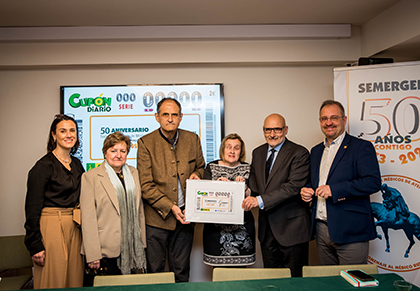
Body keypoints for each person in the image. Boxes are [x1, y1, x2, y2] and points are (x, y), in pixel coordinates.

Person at [300, 100, 381, 265]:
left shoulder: (361, 147)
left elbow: (372, 182)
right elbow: (315, 182)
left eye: (333, 118)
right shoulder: (316, 151)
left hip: (351, 230)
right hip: (321, 229)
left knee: (353, 282)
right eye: (324, 119)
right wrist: (307, 190)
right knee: (330, 283)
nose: (328, 122)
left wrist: (334, 190)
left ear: (344, 120)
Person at [137, 98, 205, 282]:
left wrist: (198, 174)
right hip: (156, 221)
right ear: (157, 117)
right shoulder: (145, 143)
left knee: (181, 271)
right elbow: (146, 186)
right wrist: (171, 207)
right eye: (165, 114)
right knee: (155, 272)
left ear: (181, 117)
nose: (170, 118)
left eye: (174, 114)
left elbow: (201, 167)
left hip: (185, 218)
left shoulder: (192, 139)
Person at [242, 114, 311, 277]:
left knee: (295, 281)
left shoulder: (299, 153)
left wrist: (257, 200)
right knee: (273, 279)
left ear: (285, 130)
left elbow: (293, 187)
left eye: (277, 129)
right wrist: (244, 191)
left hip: (292, 229)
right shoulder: (257, 152)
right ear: (263, 131)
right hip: (267, 230)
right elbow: (255, 185)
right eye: (268, 130)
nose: (272, 134)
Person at [24, 114, 84, 289]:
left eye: (72, 130)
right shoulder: (43, 166)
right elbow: (32, 207)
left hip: (74, 226)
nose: (69, 135)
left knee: (74, 279)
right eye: (63, 131)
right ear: (53, 135)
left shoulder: (77, 164)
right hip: (51, 225)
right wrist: (35, 245)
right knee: (53, 279)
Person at [80, 131, 147, 276]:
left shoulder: (134, 173)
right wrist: (92, 254)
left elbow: (139, 211)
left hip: (132, 248)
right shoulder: (90, 177)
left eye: (123, 151)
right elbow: (88, 218)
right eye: (113, 150)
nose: (118, 155)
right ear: (105, 152)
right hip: (105, 250)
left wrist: (142, 243)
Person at [202, 133, 255, 267]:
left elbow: (253, 195)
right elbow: (204, 195)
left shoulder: (248, 168)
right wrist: (217, 186)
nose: (232, 151)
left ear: (241, 151)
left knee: (241, 276)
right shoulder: (211, 167)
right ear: (223, 149)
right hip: (215, 230)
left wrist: (244, 187)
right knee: (219, 274)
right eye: (228, 147)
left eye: (236, 148)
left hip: (242, 228)